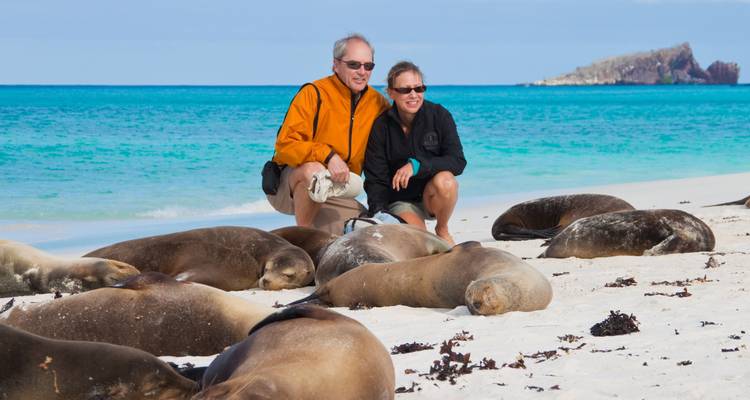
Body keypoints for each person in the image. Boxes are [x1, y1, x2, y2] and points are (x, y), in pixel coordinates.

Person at [267, 34, 390, 234]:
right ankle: (303, 237)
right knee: (314, 171)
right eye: (354, 65)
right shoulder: (313, 93)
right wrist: (328, 156)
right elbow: (284, 147)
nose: (362, 72)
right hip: (291, 186)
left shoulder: (378, 104)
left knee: (366, 231)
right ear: (335, 65)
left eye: (368, 66)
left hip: (338, 190)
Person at [364, 61, 466, 245]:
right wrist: (378, 213)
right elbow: (375, 178)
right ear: (391, 92)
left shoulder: (439, 115)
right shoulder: (381, 126)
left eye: (419, 88)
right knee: (423, 246)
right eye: (405, 90)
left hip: (433, 196)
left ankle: (442, 229)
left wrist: (417, 165)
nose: (413, 95)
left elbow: (458, 161)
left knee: (447, 181)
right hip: (402, 201)